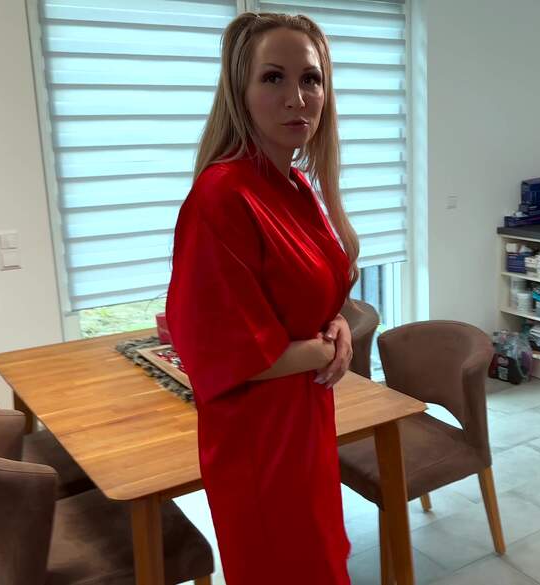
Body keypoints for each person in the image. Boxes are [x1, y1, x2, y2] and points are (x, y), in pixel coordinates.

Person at [165, 12, 359, 585]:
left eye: (311, 79)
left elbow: (307, 297)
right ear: (240, 91)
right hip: (259, 440)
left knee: (322, 562)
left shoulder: (296, 186)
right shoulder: (222, 196)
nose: (297, 98)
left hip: (306, 422)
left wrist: (337, 324)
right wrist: (326, 350)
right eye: (273, 77)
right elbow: (222, 352)